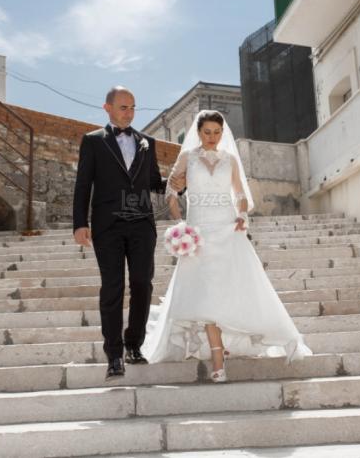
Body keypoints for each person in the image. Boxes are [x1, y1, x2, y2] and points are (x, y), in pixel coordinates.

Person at [142, 109, 313, 382]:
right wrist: (180, 224)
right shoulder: (187, 157)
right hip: (198, 234)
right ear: (198, 133)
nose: (212, 137)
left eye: (217, 132)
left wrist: (242, 214)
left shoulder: (230, 159)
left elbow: (240, 195)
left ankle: (233, 345)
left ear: (223, 133)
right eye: (207, 132)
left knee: (233, 289)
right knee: (207, 295)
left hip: (227, 230)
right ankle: (218, 358)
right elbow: (171, 193)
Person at [72, 86, 184, 380]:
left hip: (142, 224)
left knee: (142, 285)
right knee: (112, 287)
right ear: (107, 107)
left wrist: (176, 183)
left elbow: (151, 182)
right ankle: (114, 355)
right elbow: (84, 183)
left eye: (133, 107)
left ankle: (134, 345)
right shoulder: (93, 141)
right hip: (107, 225)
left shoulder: (147, 142)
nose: (129, 112)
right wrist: (79, 223)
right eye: (123, 107)